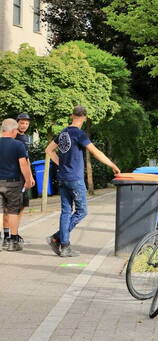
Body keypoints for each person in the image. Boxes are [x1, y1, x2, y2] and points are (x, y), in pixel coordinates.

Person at [45, 106, 120, 257]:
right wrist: (112, 165)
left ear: (72, 116)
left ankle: (64, 245)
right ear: (84, 118)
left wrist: (60, 163)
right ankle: (57, 238)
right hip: (75, 179)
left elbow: (48, 150)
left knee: (66, 211)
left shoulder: (62, 133)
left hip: (63, 178)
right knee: (82, 211)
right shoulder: (79, 134)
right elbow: (95, 152)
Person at [0, 119, 34, 251]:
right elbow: (23, 165)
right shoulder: (18, 145)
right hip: (12, 183)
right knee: (13, 211)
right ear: (14, 130)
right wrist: (27, 180)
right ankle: (13, 241)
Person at [11, 113, 32, 245]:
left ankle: (15, 232)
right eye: (22, 123)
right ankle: (12, 234)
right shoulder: (14, 137)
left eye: (26, 123)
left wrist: (29, 176)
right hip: (16, 177)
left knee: (22, 206)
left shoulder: (25, 138)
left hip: (23, 176)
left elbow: (27, 159)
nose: (24, 125)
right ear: (17, 123)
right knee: (13, 208)